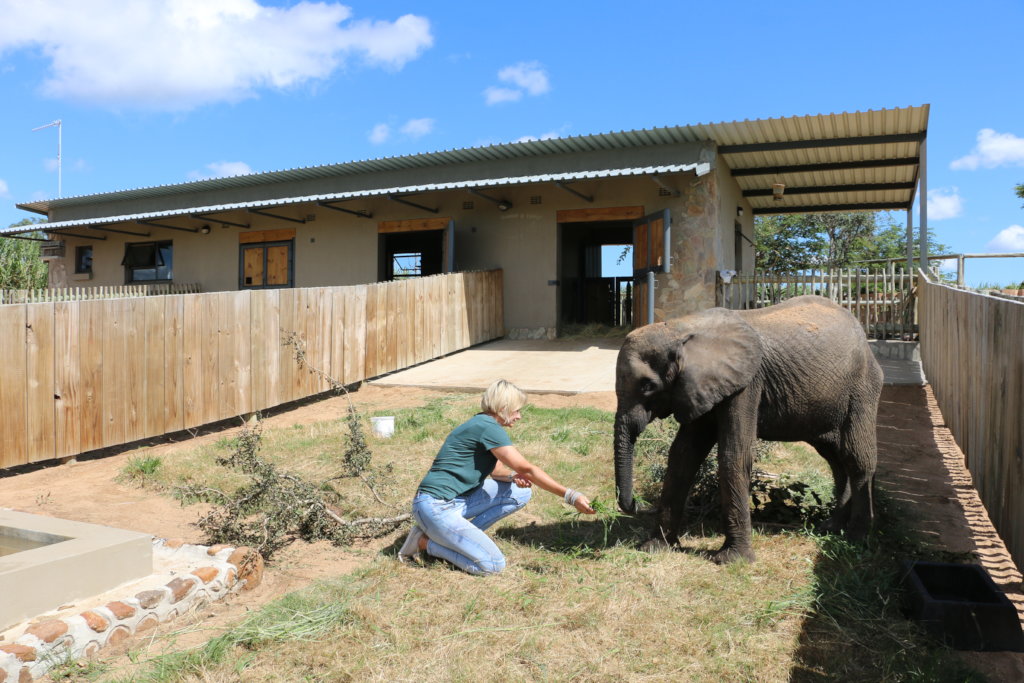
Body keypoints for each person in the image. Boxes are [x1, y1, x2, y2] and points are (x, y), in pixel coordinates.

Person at [398, 379, 596, 575]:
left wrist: (511, 476)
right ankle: (425, 543)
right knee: (493, 565)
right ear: (503, 407)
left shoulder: (483, 423)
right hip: (436, 506)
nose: (519, 416)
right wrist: (570, 495)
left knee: (519, 493)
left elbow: (497, 471)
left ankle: (457, 540)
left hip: (454, 501)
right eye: (517, 410)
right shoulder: (487, 427)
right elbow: (527, 469)